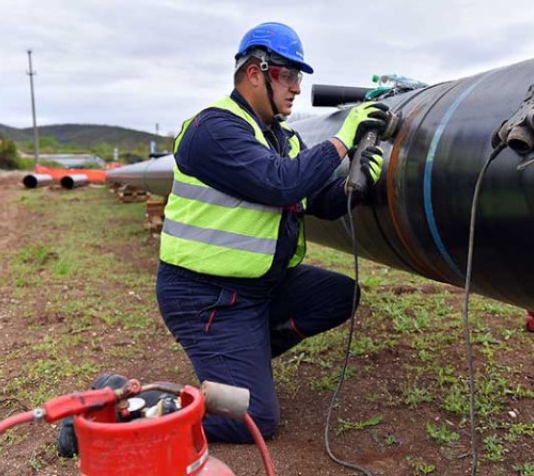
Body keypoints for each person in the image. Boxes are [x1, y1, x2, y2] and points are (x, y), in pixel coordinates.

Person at [155, 22, 390, 443]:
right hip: (207, 297)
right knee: (255, 420)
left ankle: (243, 359)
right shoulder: (214, 130)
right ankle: (133, 404)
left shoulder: (284, 140)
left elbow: (317, 199)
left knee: (339, 295)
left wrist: (357, 184)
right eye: (288, 74)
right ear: (254, 72)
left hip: (260, 287)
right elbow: (280, 183)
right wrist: (342, 139)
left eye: (299, 76)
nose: (297, 87)